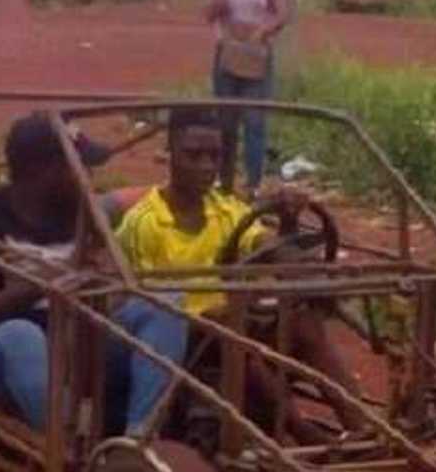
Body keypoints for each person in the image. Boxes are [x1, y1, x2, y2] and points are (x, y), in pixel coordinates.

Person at [117, 107, 364, 442]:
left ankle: (364, 428)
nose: (206, 166)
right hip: (177, 340)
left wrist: (302, 257)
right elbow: (154, 306)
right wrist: (219, 315)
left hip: (231, 328)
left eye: (214, 156)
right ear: (171, 153)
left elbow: (263, 243)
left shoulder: (227, 210)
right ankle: (302, 432)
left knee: (303, 322)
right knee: (231, 330)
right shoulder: (144, 222)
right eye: (194, 155)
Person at [0, 113, 187, 435]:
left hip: (77, 347)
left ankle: (138, 441)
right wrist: (35, 290)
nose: (87, 176)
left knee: (163, 304)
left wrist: (106, 286)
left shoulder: (82, 213)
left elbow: (115, 285)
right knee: (20, 335)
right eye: (78, 166)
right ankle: (70, 447)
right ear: (40, 172)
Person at [205, 0, 285, 192]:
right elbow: (210, 14)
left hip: (257, 58)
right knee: (226, 122)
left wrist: (264, 30)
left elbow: (281, 15)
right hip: (226, 58)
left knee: (254, 121)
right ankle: (224, 181)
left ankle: (253, 183)